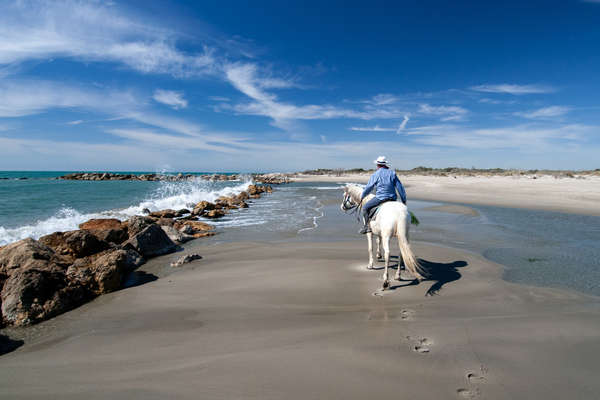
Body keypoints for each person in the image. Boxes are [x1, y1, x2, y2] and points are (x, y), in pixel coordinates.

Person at [358, 156, 407, 234]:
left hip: (380, 198)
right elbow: (400, 187)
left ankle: (367, 227)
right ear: (385, 164)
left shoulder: (375, 174)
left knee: (365, 208)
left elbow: (369, 187)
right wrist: (404, 200)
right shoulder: (392, 173)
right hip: (392, 198)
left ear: (377, 165)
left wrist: (363, 195)